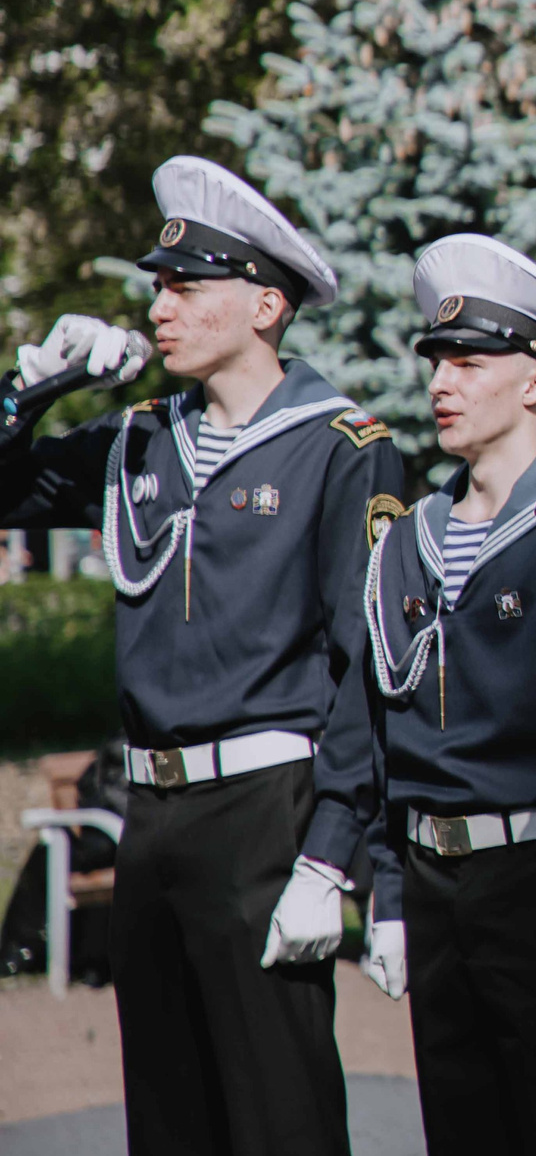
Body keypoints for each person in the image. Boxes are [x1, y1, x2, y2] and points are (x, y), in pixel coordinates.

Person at [0, 156, 403, 1156]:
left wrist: (335, 851)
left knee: (280, 1110)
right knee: (169, 1114)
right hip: (151, 807)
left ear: (265, 304)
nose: (160, 305)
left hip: (267, 805)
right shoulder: (139, 437)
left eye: (187, 286)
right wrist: (31, 388)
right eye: (158, 286)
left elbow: (365, 666)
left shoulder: (341, 447)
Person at [351, 234, 536, 1155]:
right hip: (438, 886)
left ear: (535, 384)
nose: (442, 382)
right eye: (437, 360)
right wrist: (392, 891)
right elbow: (387, 732)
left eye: (469, 362)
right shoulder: (408, 537)